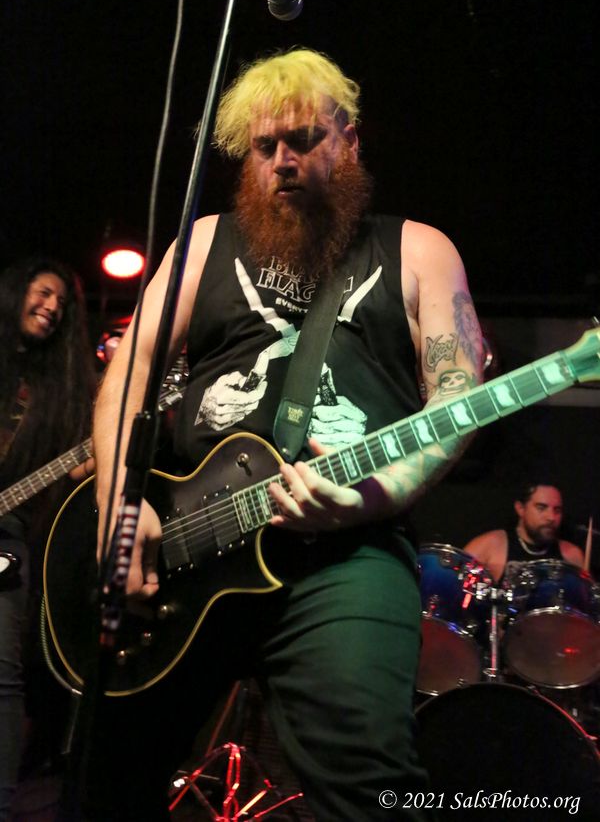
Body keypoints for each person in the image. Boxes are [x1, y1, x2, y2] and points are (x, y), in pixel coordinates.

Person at [86, 48, 483, 821]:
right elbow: (128, 375)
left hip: (346, 553)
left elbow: (458, 398)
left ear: (350, 142)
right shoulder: (204, 242)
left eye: (303, 140)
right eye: (264, 146)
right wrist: (116, 511)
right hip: (185, 551)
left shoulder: (418, 249)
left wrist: (376, 494)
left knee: (369, 784)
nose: (282, 161)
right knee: (106, 770)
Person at [0, 257, 96, 820]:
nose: (53, 307)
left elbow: (73, 468)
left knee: (3, 678)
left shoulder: (62, 389)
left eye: (62, 303)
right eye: (44, 293)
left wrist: (91, 465)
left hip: (9, 537)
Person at [463, 481, 584, 583]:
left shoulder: (572, 556)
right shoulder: (488, 546)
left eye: (557, 510)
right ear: (520, 508)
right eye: (541, 508)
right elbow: (458, 590)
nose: (551, 517)